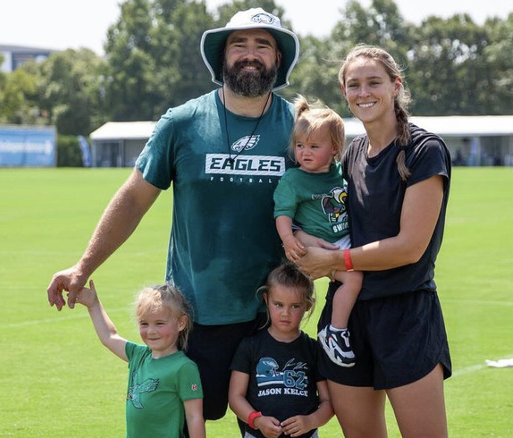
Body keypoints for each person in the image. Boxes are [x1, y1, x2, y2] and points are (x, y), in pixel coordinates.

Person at [46, 7, 300, 421]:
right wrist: (83, 265)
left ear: (278, 60)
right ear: (222, 57)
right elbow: (132, 201)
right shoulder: (182, 124)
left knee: (274, 429)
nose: (250, 54)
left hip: (271, 316)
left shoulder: (298, 127)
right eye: (239, 45)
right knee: (174, 429)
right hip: (190, 318)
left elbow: (326, 206)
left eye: (262, 46)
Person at [293, 45, 453, 438]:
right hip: (346, 323)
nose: (363, 92)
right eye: (354, 85)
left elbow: (408, 247)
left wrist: (333, 263)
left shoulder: (423, 150)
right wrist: (301, 241)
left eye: (374, 82)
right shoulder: (351, 155)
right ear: (344, 92)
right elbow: (317, 214)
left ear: (395, 86)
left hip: (406, 316)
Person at [273, 95, 362, 368]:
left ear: (335, 148)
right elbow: (282, 214)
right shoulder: (294, 179)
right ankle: (335, 330)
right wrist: (289, 240)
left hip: (341, 239)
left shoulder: (340, 173)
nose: (305, 152)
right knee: (354, 277)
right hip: (311, 248)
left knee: (362, 271)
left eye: (314, 146)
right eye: (299, 146)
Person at [74, 281, 205, 438]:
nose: (151, 331)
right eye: (144, 323)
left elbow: (194, 417)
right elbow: (109, 336)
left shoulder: (184, 367)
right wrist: (93, 304)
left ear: (181, 323)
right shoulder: (138, 355)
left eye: (159, 323)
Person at [228, 263, 333, 438]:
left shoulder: (313, 349)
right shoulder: (250, 346)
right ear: (266, 299)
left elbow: (328, 402)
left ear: (308, 305)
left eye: (295, 306)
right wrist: (257, 420)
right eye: (278, 304)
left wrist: (311, 421)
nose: (285, 313)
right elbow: (236, 397)